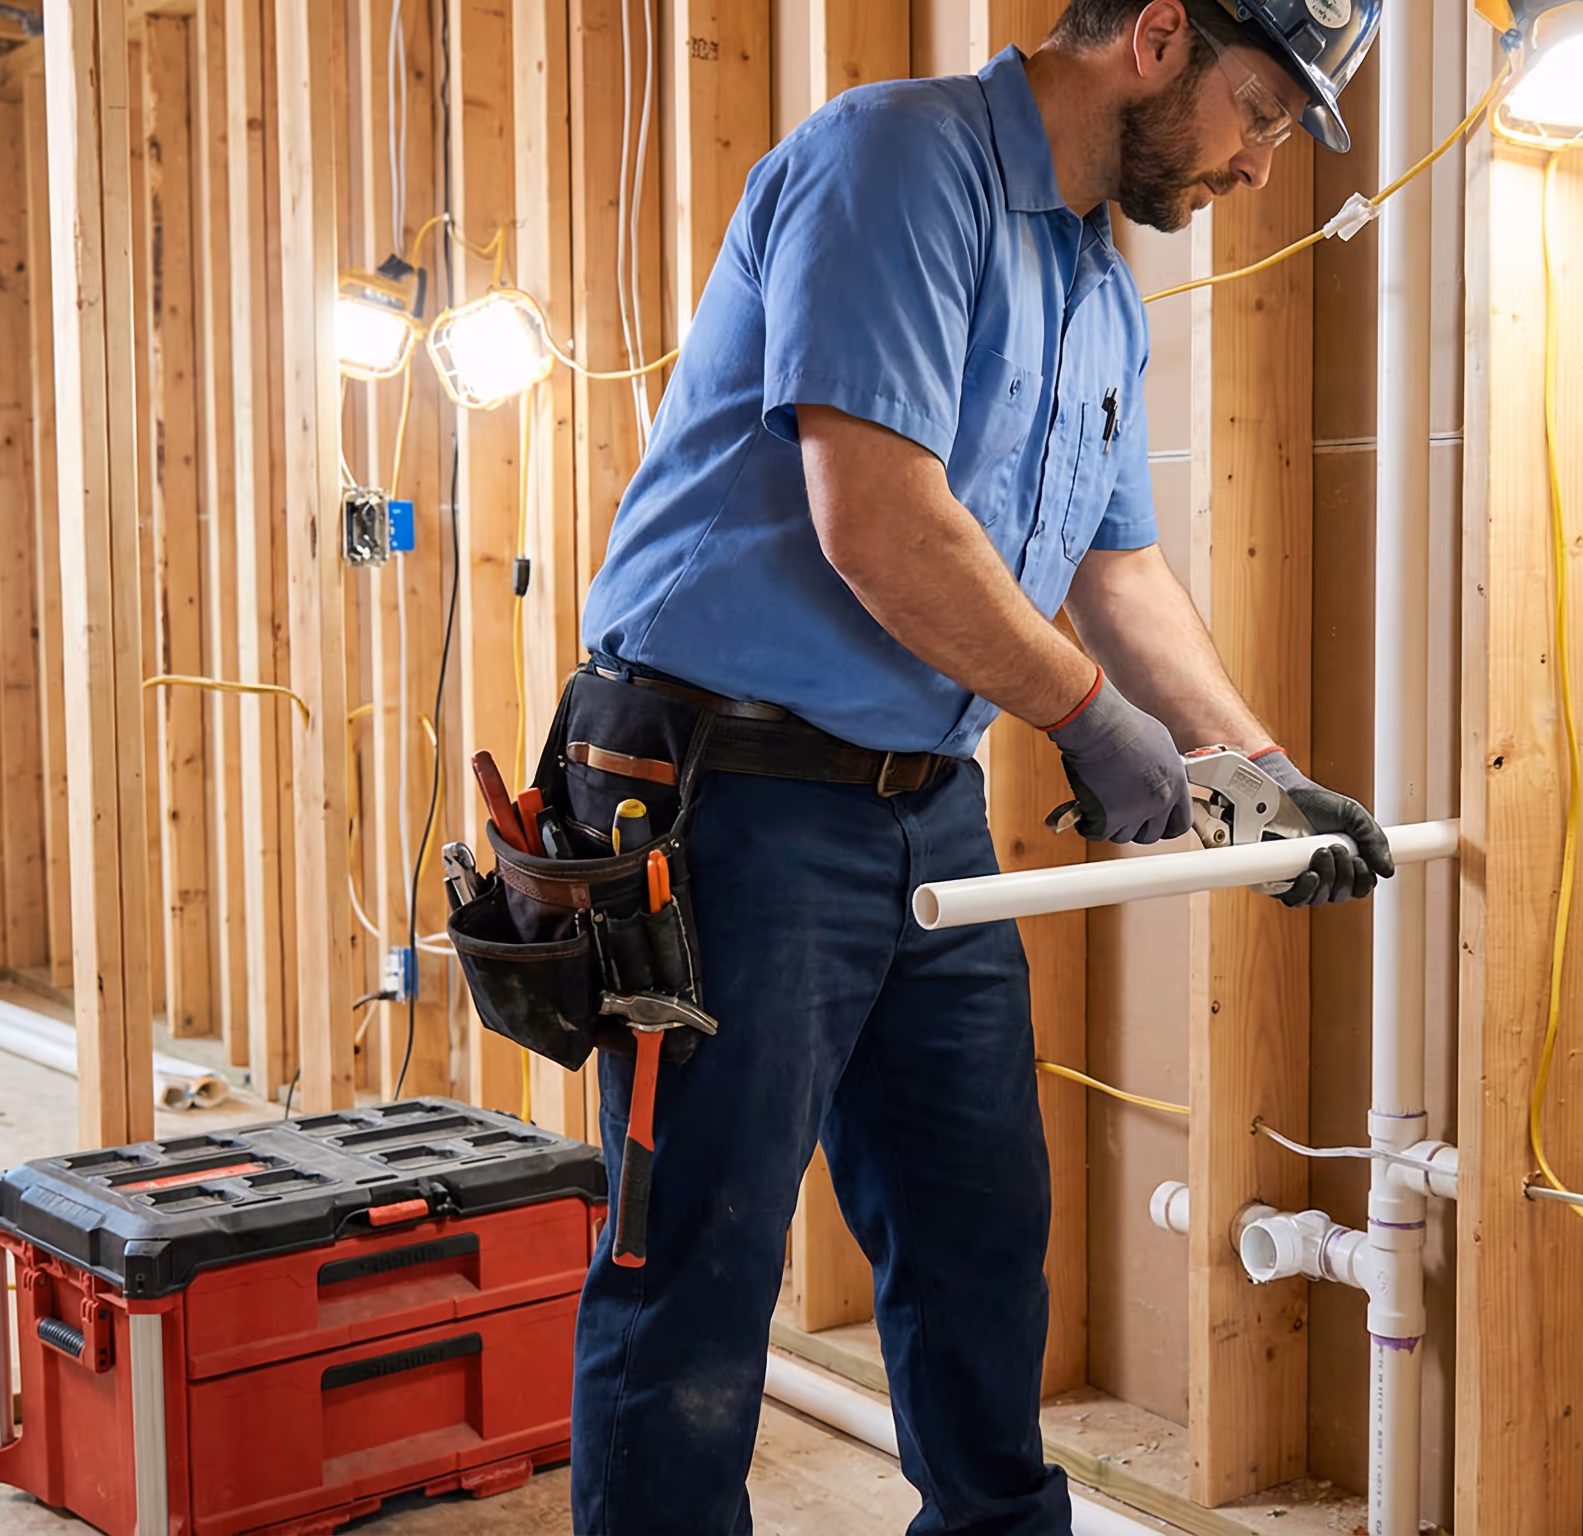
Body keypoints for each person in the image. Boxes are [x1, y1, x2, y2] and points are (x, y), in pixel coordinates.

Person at [557, 1, 1386, 1529]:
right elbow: (877, 519)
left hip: (917, 806)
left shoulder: (1096, 285)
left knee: (979, 1245)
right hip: (721, 797)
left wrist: (1258, 768)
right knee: (698, 1271)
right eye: (1260, 111)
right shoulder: (899, 166)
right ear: (1156, 39)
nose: (1263, 164)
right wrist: (1085, 720)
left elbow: (1116, 571)